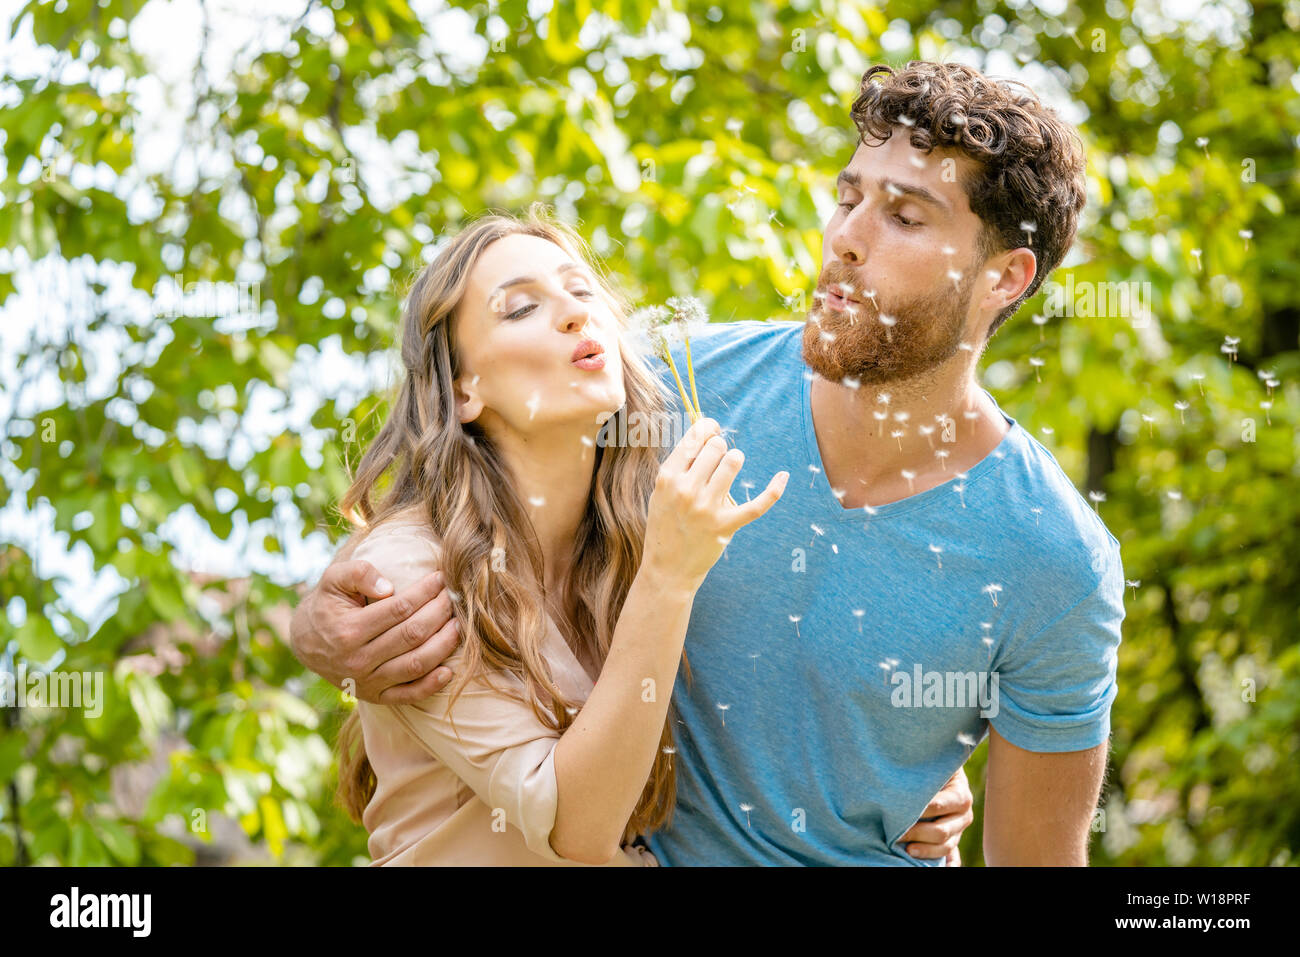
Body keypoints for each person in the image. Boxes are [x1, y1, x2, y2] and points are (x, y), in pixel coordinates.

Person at [298, 59, 1123, 866]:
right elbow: (469, 463)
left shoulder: (1052, 558)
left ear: (1003, 278)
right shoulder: (671, 389)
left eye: (904, 218)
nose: (846, 239)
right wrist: (324, 623)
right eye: (848, 198)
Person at [330, 208, 791, 865]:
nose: (576, 314)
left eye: (581, 291)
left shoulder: (633, 535)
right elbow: (576, 825)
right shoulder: (411, 571)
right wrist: (668, 575)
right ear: (463, 390)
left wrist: (913, 773)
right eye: (520, 308)